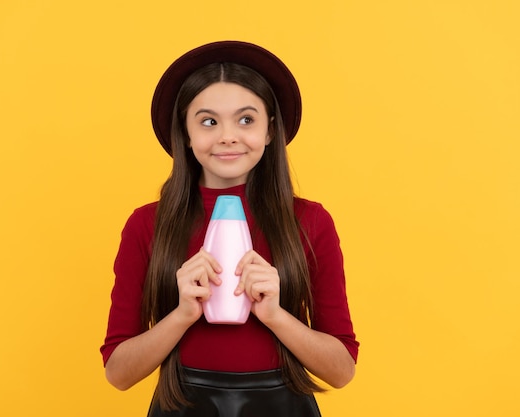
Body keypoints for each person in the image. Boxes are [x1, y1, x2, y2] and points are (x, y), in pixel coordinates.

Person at [100, 41, 359, 417]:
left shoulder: (310, 222)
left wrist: (274, 315)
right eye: (208, 121)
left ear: (270, 131)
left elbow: (341, 371)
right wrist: (183, 313)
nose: (227, 136)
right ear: (185, 134)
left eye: (246, 119)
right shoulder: (147, 224)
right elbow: (119, 373)